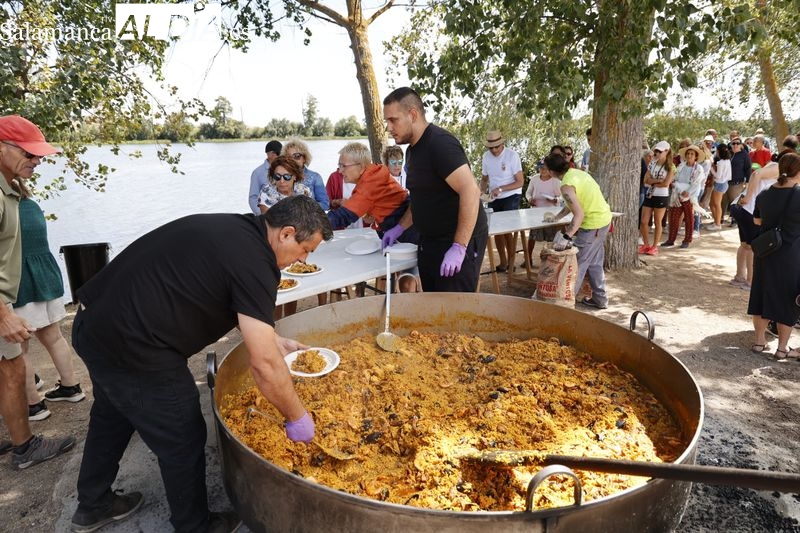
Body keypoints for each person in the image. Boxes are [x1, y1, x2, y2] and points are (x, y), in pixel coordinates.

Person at [69, 195, 333, 533]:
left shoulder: (236, 229)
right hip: (135, 346)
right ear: (286, 233)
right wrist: (297, 417)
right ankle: (194, 526)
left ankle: (94, 505)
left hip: (94, 323)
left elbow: (221, 288)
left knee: (113, 413)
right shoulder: (257, 263)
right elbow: (264, 366)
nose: (303, 259)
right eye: (306, 249)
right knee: (182, 433)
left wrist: (273, 340)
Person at [0, 115, 76, 469]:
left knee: (11, 367)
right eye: (29, 154)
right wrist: (4, 312)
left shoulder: (11, 190)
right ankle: (25, 448)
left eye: (39, 155)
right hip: (6, 301)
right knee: (14, 367)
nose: (37, 161)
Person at [381, 87, 488, 292]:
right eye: (387, 121)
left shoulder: (440, 143)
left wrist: (459, 247)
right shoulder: (412, 151)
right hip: (429, 242)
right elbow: (421, 199)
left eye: (393, 120)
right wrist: (400, 228)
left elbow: (471, 191)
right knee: (432, 306)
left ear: (413, 115)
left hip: (457, 241)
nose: (389, 128)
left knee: (454, 311)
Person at [12, 184, 85, 423]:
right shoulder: (31, 206)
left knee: (18, 348)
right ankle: (71, 386)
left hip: (21, 282)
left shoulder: (7, 209)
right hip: (46, 277)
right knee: (53, 336)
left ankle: (34, 405)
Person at [541, 153, 613, 309]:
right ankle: (600, 300)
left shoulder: (566, 186)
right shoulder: (576, 174)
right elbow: (573, 203)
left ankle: (566, 306)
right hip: (603, 220)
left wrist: (567, 236)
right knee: (594, 263)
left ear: (552, 171)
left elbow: (579, 214)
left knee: (577, 265)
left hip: (593, 224)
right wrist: (558, 217)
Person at [747, 152, 800, 359]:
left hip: (765, 251)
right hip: (791, 253)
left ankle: (759, 342)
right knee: (787, 298)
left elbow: (757, 222)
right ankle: (781, 348)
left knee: (760, 293)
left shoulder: (765, 194)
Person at [327, 142, 411, 234]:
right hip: (398, 227)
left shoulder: (370, 183)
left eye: (344, 166)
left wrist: (314, 225)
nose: (340, 171)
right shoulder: (374, 174)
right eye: (339, 165)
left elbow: (343, 216)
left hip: (408, 230)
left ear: (361, 167)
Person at [480, 130, 523, 272]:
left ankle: (511, 263)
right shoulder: (486, 157)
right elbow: (485, 178)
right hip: (494, 197)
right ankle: (503, 262)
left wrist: (501, 189)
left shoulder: (512, 155)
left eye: (496, 147)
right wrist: (481, 193)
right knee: (496, 231)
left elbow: (520, 182)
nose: (493, 150)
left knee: (507, 230)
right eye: (490, 147)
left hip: (511, 195)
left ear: (502, 143)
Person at [662, 144, 707, 249]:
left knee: (689, 218)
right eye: (688, 154)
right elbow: (675, 177)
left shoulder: (698, 168)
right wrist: (675, 185)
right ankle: (671, 239)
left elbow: (696, 183)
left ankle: (687, 240)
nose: (690, 155)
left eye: (692, 154)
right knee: (674, 217)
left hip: (689, 197)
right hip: (677, 194)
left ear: (695, 156)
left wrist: (688, 192)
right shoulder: (681, 166)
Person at [639, 141, 675, 256]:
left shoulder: (671, 167)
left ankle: (654, 246)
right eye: (656, 151)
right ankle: (646, 244)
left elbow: (666, 184)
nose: (657, 153)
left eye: (660, 151)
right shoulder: (652, 163)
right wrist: (657, 181)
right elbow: (645, 179)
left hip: (661, 196)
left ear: (667, 152)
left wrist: (652, 182)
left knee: (657, 222)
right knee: (644, 221)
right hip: (650, 194)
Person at [523, 162, 561, 266]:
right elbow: (528, 192)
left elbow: (561, 196)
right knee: (532, 237)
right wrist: (530, 199)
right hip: (535, 212)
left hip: (551, 213)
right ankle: (528, 259)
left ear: (550, 170)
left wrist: (556, 200)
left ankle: (552, 260)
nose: (542, 170)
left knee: (551, 237)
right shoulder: (534, 179)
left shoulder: (556, 181)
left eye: (545, 168)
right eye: (540, 168)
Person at [282, 138, 330, 210]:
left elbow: (325, 204)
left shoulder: (315, 177)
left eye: (297, 156)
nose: (292, 160)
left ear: (304, 158)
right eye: (289, 157)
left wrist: (306, 205)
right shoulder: (280, 178)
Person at [248, 140, 282, 215]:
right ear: (269, 154)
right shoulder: (257, 173)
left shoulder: (285, 170)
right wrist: (262, 216)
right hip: (265, 217)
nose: (280, 156)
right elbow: (253, 198)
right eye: (278, 153)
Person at [707, 143, 731, 230]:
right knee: (712, 203)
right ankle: (716, 221)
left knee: (716, 204)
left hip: (720, 184)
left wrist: (711, 168)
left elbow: (718, 175)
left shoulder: (721, 162)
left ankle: (717, 224)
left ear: (718, 151)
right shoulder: (727, 161)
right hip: (723, 184)